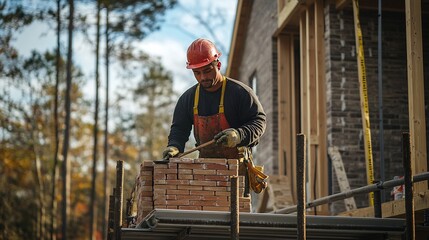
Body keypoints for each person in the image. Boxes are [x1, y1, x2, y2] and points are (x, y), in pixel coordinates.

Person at [162, 38, 266, 164]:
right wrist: (174, 146)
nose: (203, 77)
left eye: (207, 71)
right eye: (197, 73)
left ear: (218, 65)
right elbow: (179, 129)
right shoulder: (188, 99)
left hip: (238, 168)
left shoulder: (240, 92)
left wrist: (239, 135)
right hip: (205, 170)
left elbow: (259, 122)